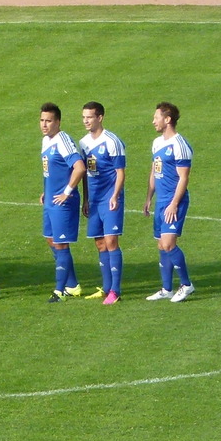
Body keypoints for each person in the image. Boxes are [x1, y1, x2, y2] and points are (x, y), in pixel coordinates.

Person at [78, 101, 127, 304]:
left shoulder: (112, 141)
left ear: (100, 117)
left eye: (89, 117)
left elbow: (120, 173)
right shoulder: (83, 143)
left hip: (110, 198)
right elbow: (84, 174)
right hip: (94, 199)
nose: (86, 121)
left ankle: (115, 291)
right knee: (99, 243)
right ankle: (106, 288)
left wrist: (115, 196)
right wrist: (86, 199)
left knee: (111, 241)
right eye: (83, 117)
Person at [38, 103, 87, 302]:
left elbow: (79, 167)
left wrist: (67, 192)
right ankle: (73, 285)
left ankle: (60, 291)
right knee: (51, 240)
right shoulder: (46, 141)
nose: (44, 124)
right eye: (42, 120)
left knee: (60, 244)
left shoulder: (62, 140)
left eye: (48, 121)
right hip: (51, 199)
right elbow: (53, 170)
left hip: (63, 203)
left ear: (58, 122)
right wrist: (47, 190)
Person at [145, 102, 194, 302]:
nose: (153, 121)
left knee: (168, 243)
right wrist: (149, 197)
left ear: (167, 119)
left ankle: (186, 285)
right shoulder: (157, 143)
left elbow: (184, 178)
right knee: (161, 245)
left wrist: (174, 203)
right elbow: (154, 171)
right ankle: (167, 289)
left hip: (175, 201)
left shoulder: (179, 145)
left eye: (156, 117)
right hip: (161, 201)